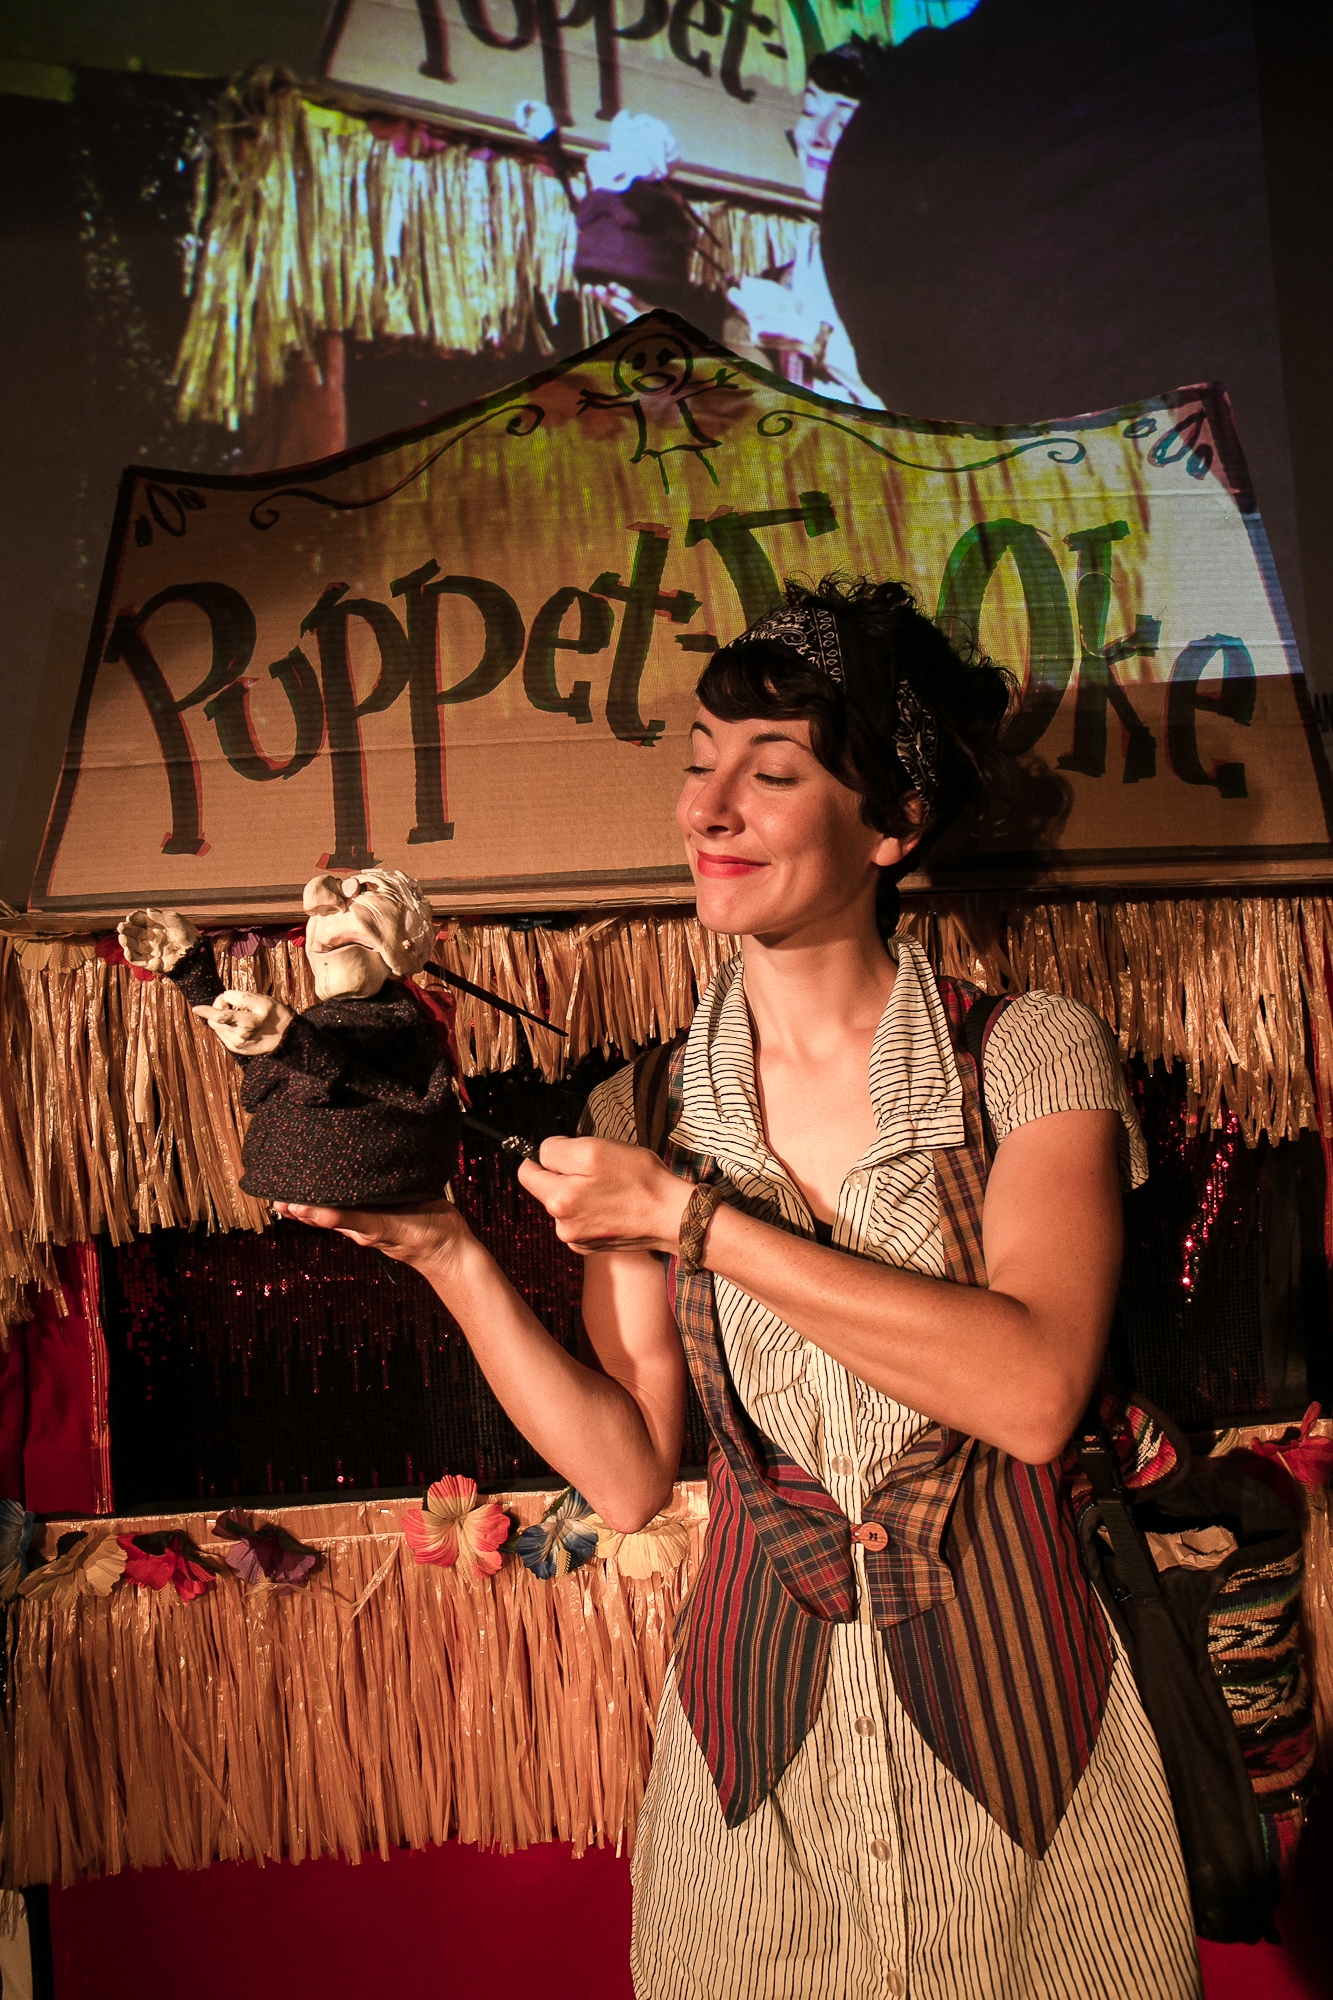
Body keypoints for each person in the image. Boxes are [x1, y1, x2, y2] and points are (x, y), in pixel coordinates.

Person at [279, 576, 1200, 1999]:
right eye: (699, 761)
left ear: (892, 824)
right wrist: (448, 1254)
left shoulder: (1026, 1056)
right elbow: (628, 1472)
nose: (707, 809)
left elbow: (1030, 1391)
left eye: (770, 773)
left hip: (1034, 1759)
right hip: (759, 1790)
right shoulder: (643, 1108)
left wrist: (693, 1220)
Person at [727, 44, 885, 407]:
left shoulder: (910, 279)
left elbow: (927, 410)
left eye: (843, 121)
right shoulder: (780, 280)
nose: (817, 134)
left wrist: (812, 338)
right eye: (810, 110)